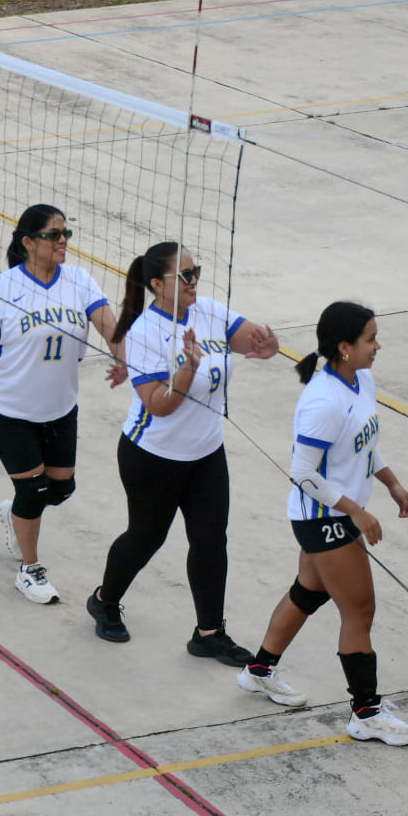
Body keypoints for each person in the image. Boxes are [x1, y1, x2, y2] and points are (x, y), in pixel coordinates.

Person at [235, 301, 408, 746]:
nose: (378, 345)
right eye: (370, 339)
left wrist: (391, 483)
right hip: (324, 519)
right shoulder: (323, 400)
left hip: (334, 514)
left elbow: (364, 445)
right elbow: (302, 472)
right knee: (359, 609)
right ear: (344, 347)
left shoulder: (362, 380)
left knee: (308, 592)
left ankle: (258, 671)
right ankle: (365, 712)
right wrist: (356, 510)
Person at [86, 242, 279, 662]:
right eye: (185, 275)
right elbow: (160, 404)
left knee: (210, 540)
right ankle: (104, 599)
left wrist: (266, 345)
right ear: (157, 284)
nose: (195, 281)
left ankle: (209, 633)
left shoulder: (208, 310)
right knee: (146, 537)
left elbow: (253, 341)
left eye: (196, 272)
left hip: (206, 451)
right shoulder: (143, 333)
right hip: (153, 455)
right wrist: (188, 369)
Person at [0, 205, 123, 604]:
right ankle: (30, 570)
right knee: (35, 491)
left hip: (59, 410)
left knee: (60, 490)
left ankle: (15, 514)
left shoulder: (79, 281)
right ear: (28, 242)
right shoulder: (3, 287)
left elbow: (110, 327)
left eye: (66, 234)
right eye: (54, 234)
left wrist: (128, 359)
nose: (63, 242)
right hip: (9, 411)